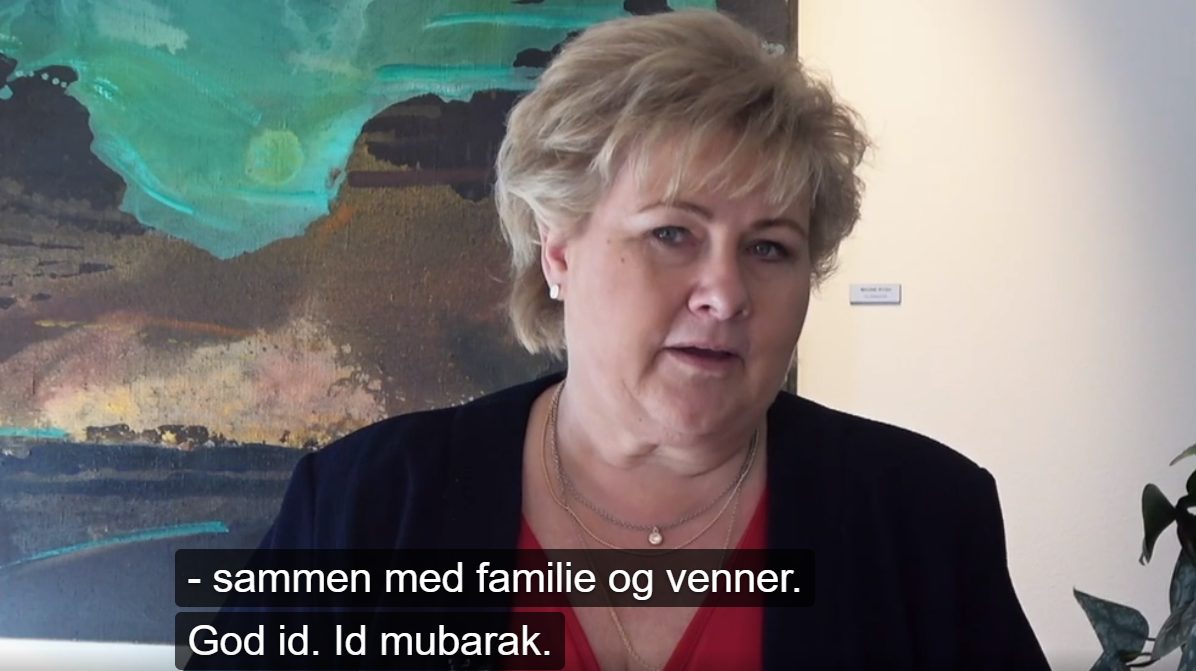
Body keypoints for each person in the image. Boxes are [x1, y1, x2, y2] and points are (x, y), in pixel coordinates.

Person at [260, 9, 1050, 671]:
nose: (725, 293)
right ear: (558, 249)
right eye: (672, 233)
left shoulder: (923, 517)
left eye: (769, 247)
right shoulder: (366, 504)